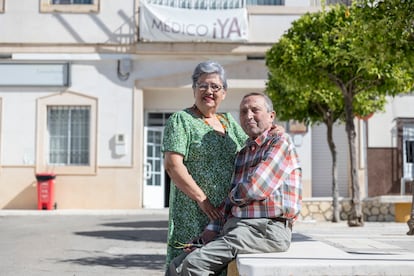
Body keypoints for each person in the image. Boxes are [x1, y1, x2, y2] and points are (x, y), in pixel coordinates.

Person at [162, 61, 283, 269]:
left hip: (226, 215)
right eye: (202, 86)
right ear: (194, 90)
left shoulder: (227, 121)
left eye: (215, 87)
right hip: (194, 211)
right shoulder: (181, 120)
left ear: (224, 93)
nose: (209, 91)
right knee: (189, 264)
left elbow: (252, 142)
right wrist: (203, 200)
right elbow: (173, 166)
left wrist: (272, 129)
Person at [167, 92, 303, 276]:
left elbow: (256, 187)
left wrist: (231, 198)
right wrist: (208, 232)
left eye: (255, 110)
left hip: (266, 229)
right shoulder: (244, 152)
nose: (248, 116)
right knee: (177, 265)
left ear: (271, 116)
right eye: (243, 111)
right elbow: (233, 201)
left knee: (193, 265)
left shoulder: (280, 142)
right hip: (237, 228)